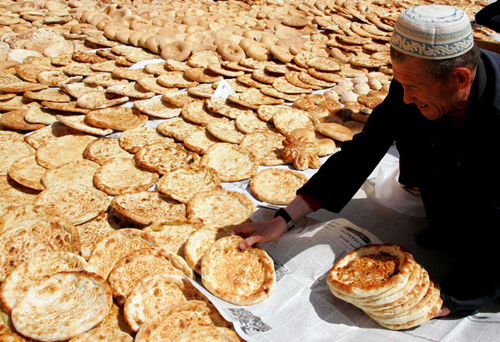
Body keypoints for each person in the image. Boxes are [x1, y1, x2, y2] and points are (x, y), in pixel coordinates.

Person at [233, 5, 500, 318]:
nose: (406, 98)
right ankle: (449, 228)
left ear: (460, 78)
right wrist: (284, 219)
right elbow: (366, 148)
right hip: (450, 178)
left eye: (414, 87)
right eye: (403, 85)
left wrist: (452, 299)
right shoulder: (416, 84)